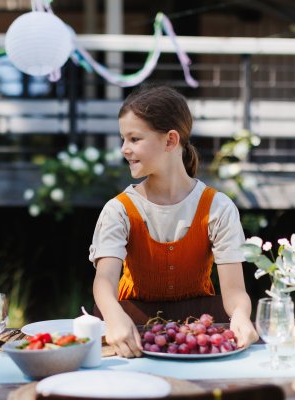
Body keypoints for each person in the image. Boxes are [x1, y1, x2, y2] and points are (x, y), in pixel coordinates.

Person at [90, 86, 259, 358]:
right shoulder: (118, 210)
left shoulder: (218, 207)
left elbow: (236, 291)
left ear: (170, 141)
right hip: (129, 329)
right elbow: (104, 280)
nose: (124, 149)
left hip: (199, 335)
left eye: (134, 138)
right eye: (123, 138)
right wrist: (113, 315)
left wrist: (240, 315)